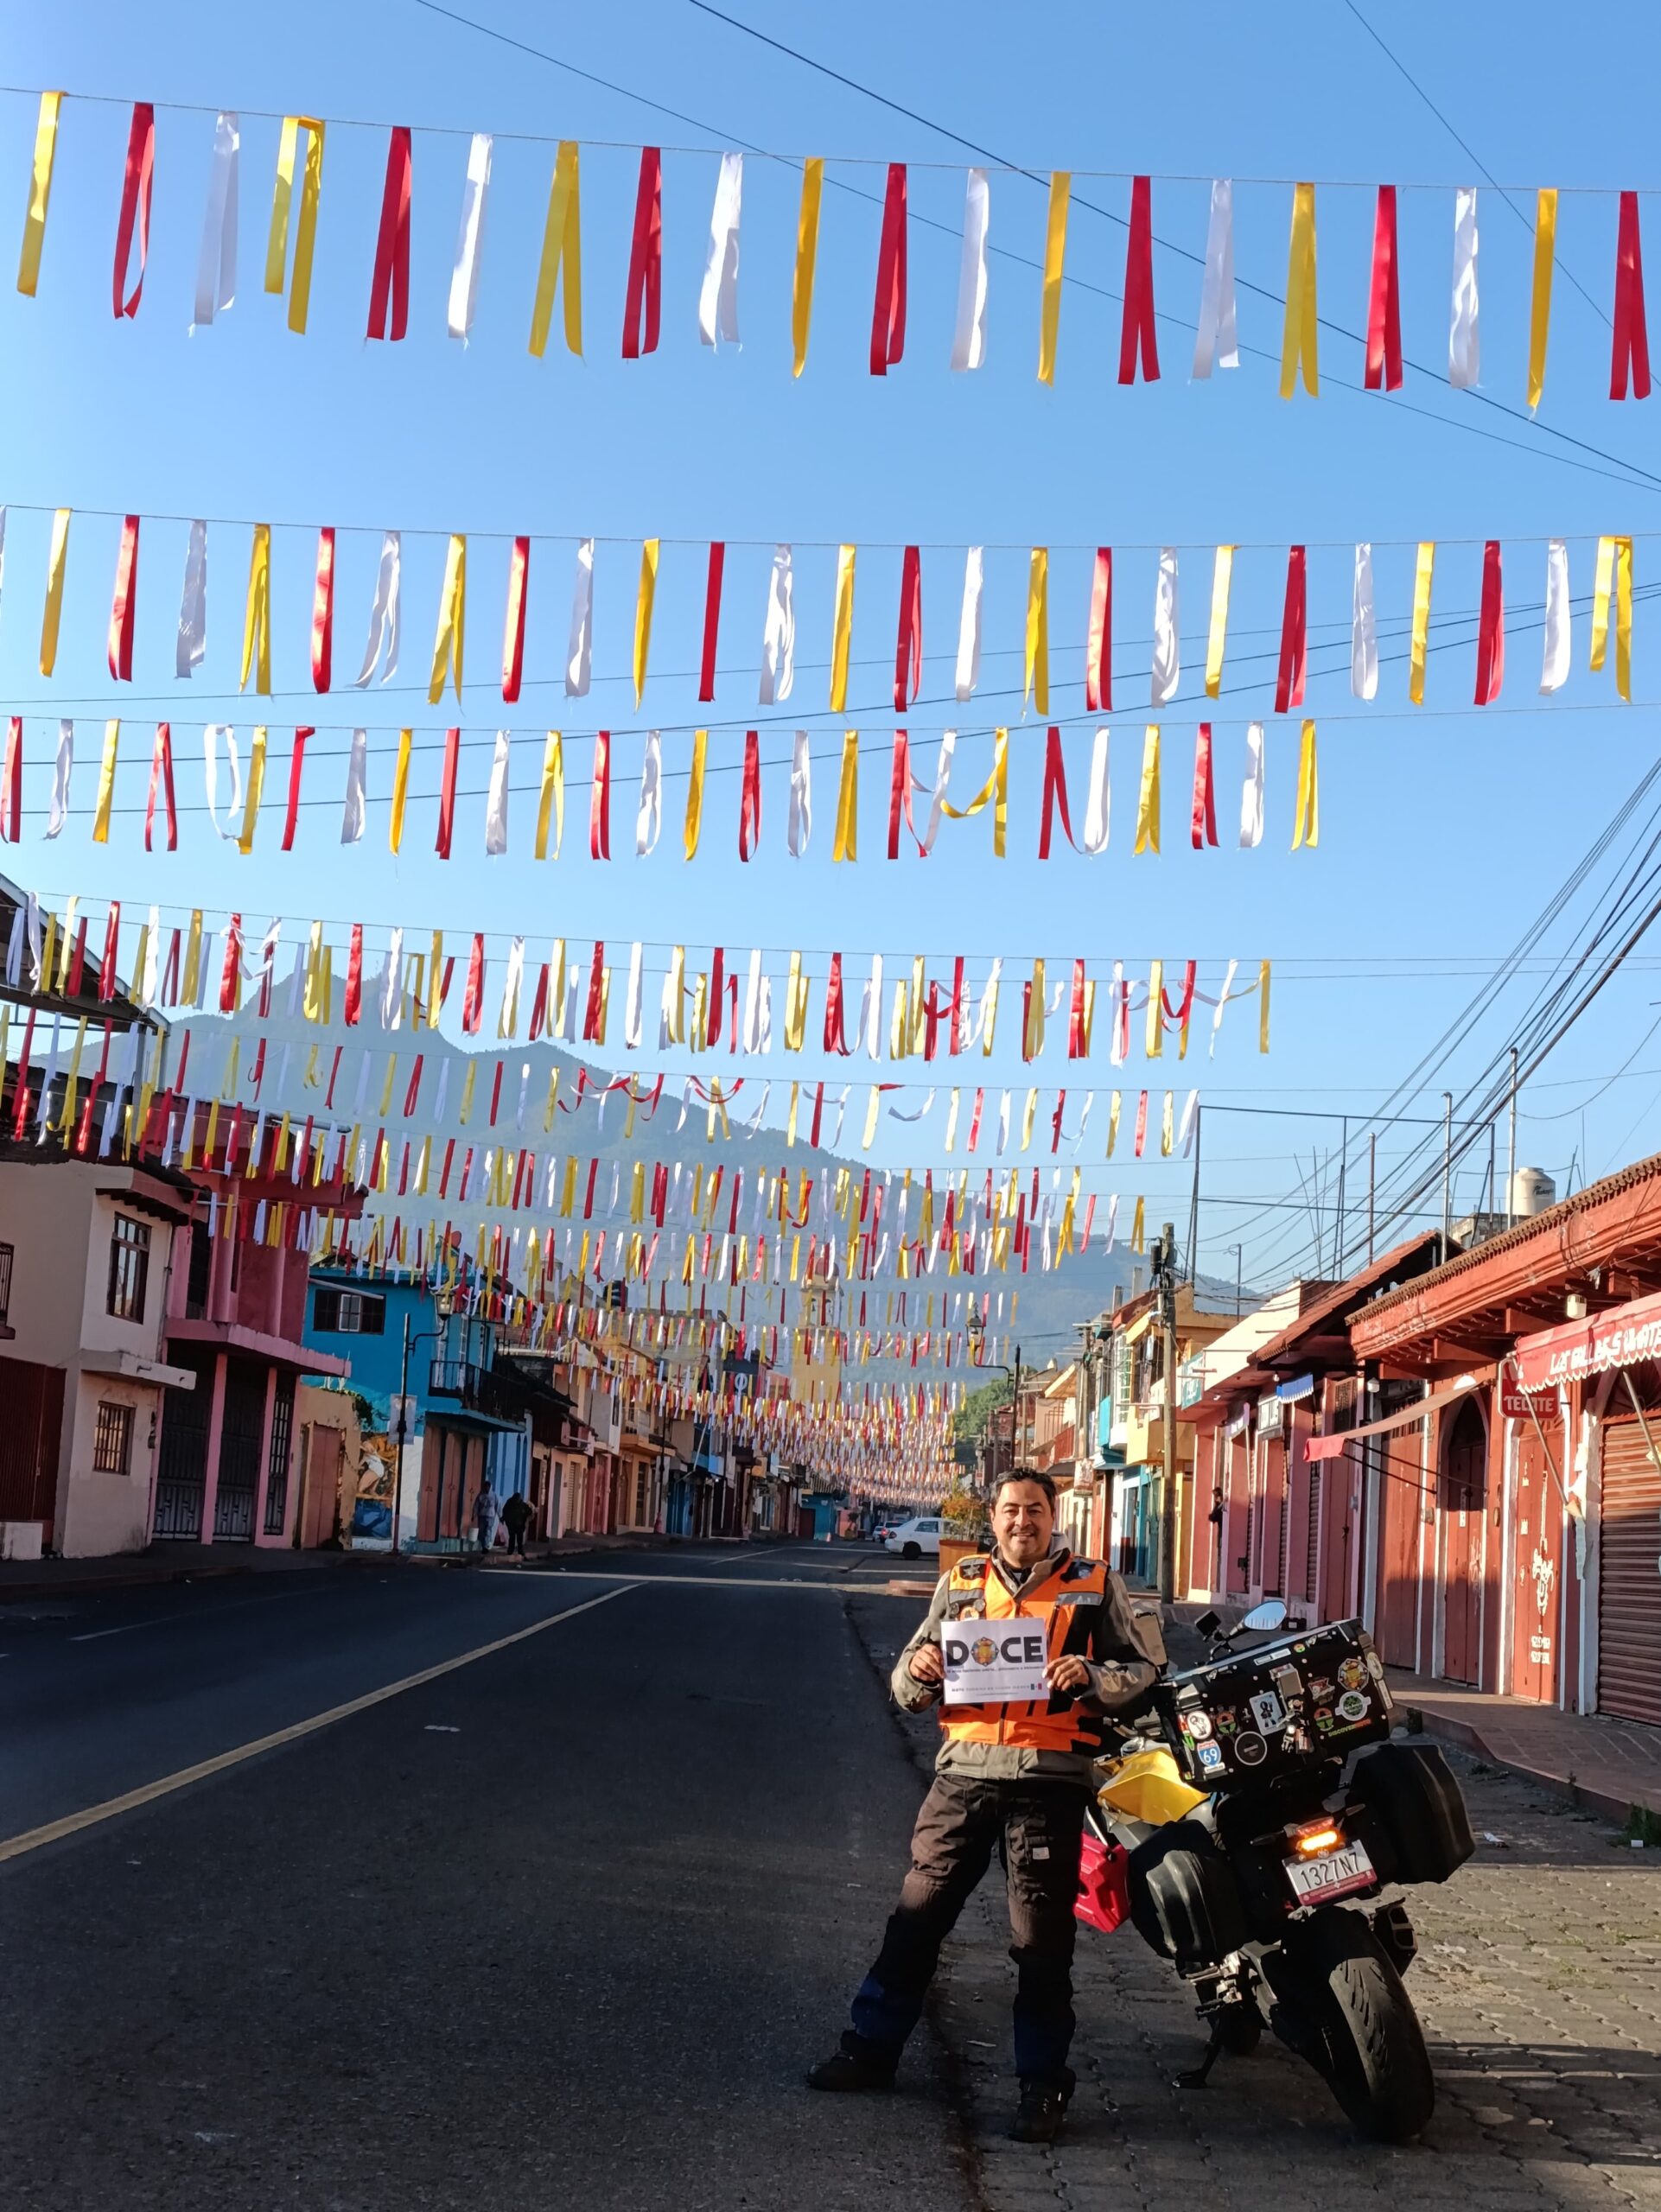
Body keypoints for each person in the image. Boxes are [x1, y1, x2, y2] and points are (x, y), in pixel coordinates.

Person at [808, 1468, 1158, 2144]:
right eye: (1009, 1511)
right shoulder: (963, 1582)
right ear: (992, 1520)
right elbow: (908, 1673)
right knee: (916, 1921)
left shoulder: (1093, 1583)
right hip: (963, 1776)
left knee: (1040, 1944)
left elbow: (1144, 1674)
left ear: (1054, 1518)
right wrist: (920, 1671)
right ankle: (869, 2050)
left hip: (1050, 1782)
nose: (1022, 1521)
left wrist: (1092, 1676)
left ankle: (1041, 2085)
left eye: (1034, 1510)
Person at [500, 1487, 533, 1559]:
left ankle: (520, 1551)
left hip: (519, 1525)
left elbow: (529, 1511)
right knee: (512, 1538)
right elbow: (505, 1511)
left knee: (519, 1539)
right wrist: (503, 1518)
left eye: (518, 1500)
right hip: (511, 1524)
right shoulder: (510, 1503)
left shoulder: (523, 1505)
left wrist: (528, 1513)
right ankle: (510, 1551)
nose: (516, 1501)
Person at [472, 1475, 500, 1554]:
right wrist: (474, 1514)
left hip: (490, 1516)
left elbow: (497, 1506)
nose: (487, 1489)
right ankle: (483, 1545)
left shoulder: (494, 1496)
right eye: (486, 1487)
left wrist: (500, 1516)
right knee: (481, 1531)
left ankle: (486, 1545)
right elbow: (476, 1505)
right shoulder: (481, 1496)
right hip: (482, 1516)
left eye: (488, 1487)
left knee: (488, 1531)